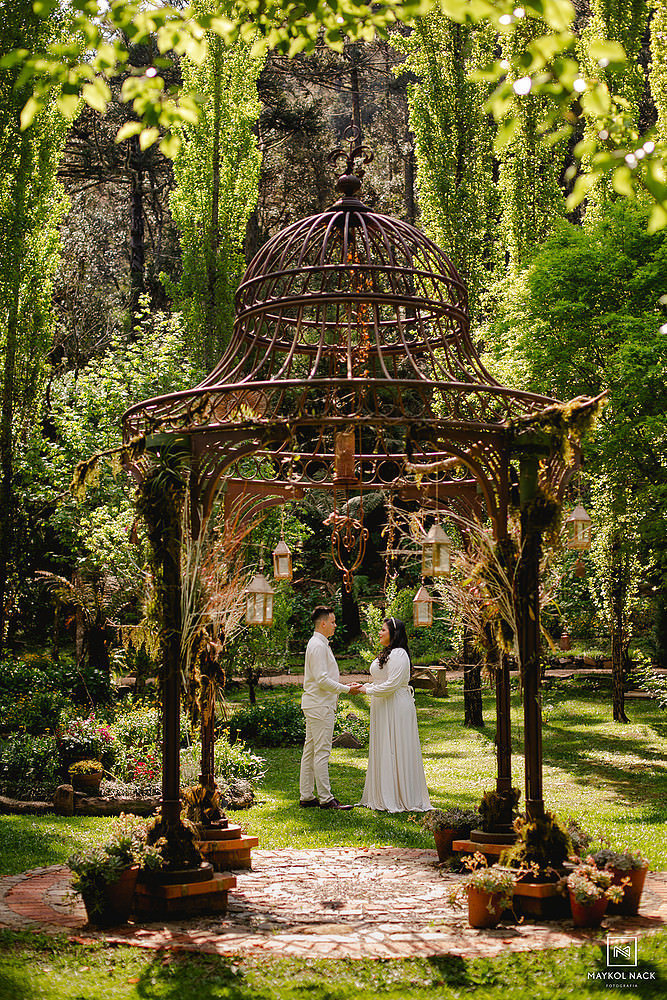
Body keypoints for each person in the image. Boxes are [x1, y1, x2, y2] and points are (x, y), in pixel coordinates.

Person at [357, 616, 431, 813]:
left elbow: (392, 685)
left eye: (383, 629)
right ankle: (383, 793)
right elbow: (382, 681)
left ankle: (399, 796)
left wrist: (366, 690)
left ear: (394, 633)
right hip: (384, 705)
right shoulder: (389, 652)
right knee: (385, 746)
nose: (379, 633)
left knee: (396, 746)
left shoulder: (399, 654)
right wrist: (363, 686)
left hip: (396, 705)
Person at [299, 605, 362, 810]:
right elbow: (322, 680)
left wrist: (345, 685)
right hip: (320, 706)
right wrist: (346, 690)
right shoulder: (317, 645)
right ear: (323, 623)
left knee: (310, 751)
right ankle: (326, 799)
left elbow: (326, 677)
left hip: (316, 704)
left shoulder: (319, 644)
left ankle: (307, 796)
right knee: (322, 752)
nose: (335, 625)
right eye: (333, 622)